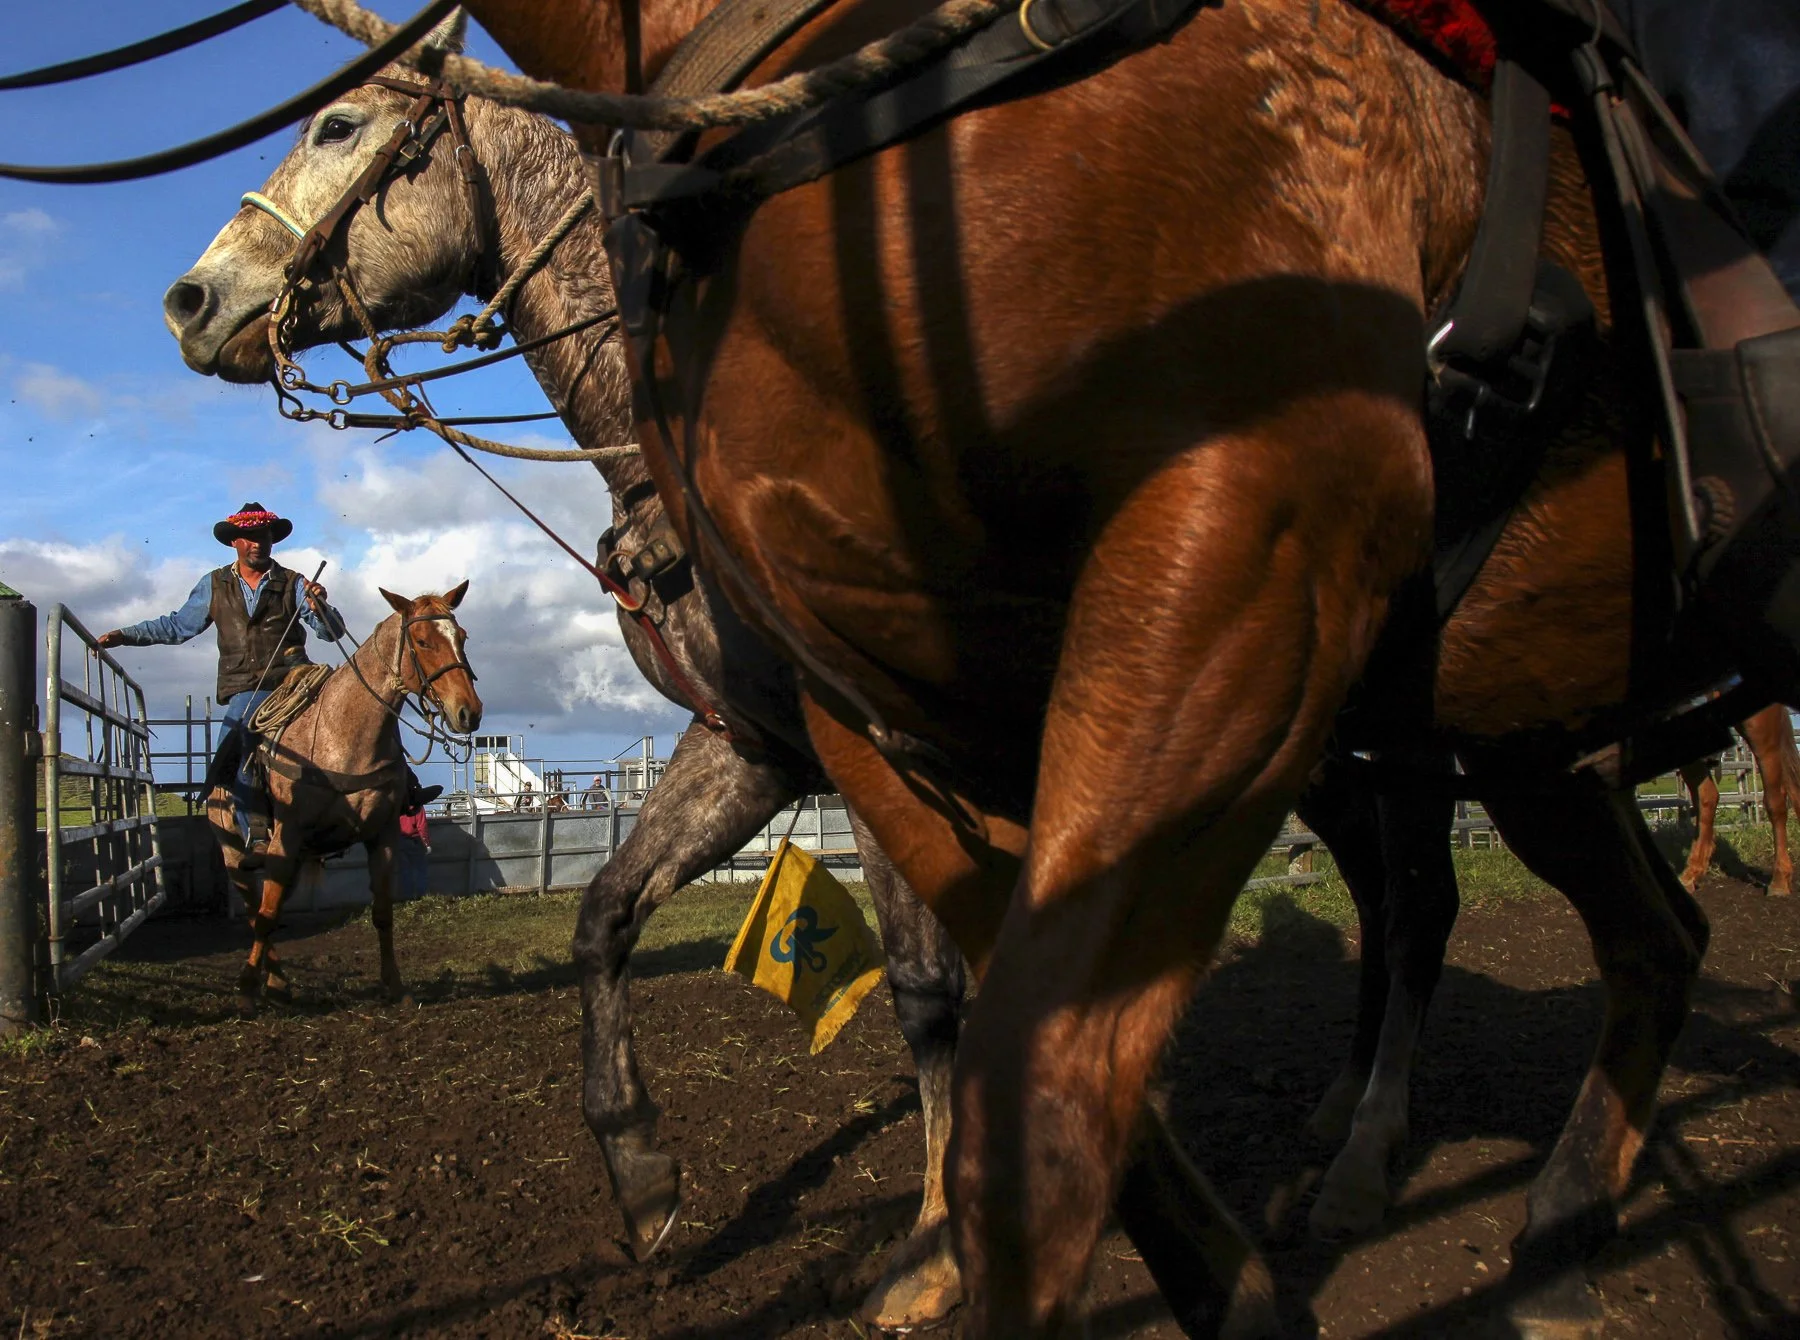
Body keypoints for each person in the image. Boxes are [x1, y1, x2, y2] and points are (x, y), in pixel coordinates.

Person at [98, 502, 345, 850]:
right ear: (235, 542)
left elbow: (332, 632)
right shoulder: (214, 584)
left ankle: (402, 792)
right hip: (246, 684)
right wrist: (127, 635)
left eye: (264, 536)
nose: (258, 543)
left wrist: (322, 607)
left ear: (273, 540)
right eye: (250, 537)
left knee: (355, 708)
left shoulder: (294, 583)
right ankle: (255, 826)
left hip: (295, 675)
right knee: (239, 739)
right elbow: (178, 626)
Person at [397, 771, 442, 901]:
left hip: (399, 840)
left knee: (404, 871)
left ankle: (407, 897)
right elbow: (422, 826)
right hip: (414, 841)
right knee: (420, 870)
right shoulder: (417, 806)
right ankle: (420, 897)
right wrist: (427, 844)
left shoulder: (396, 805)